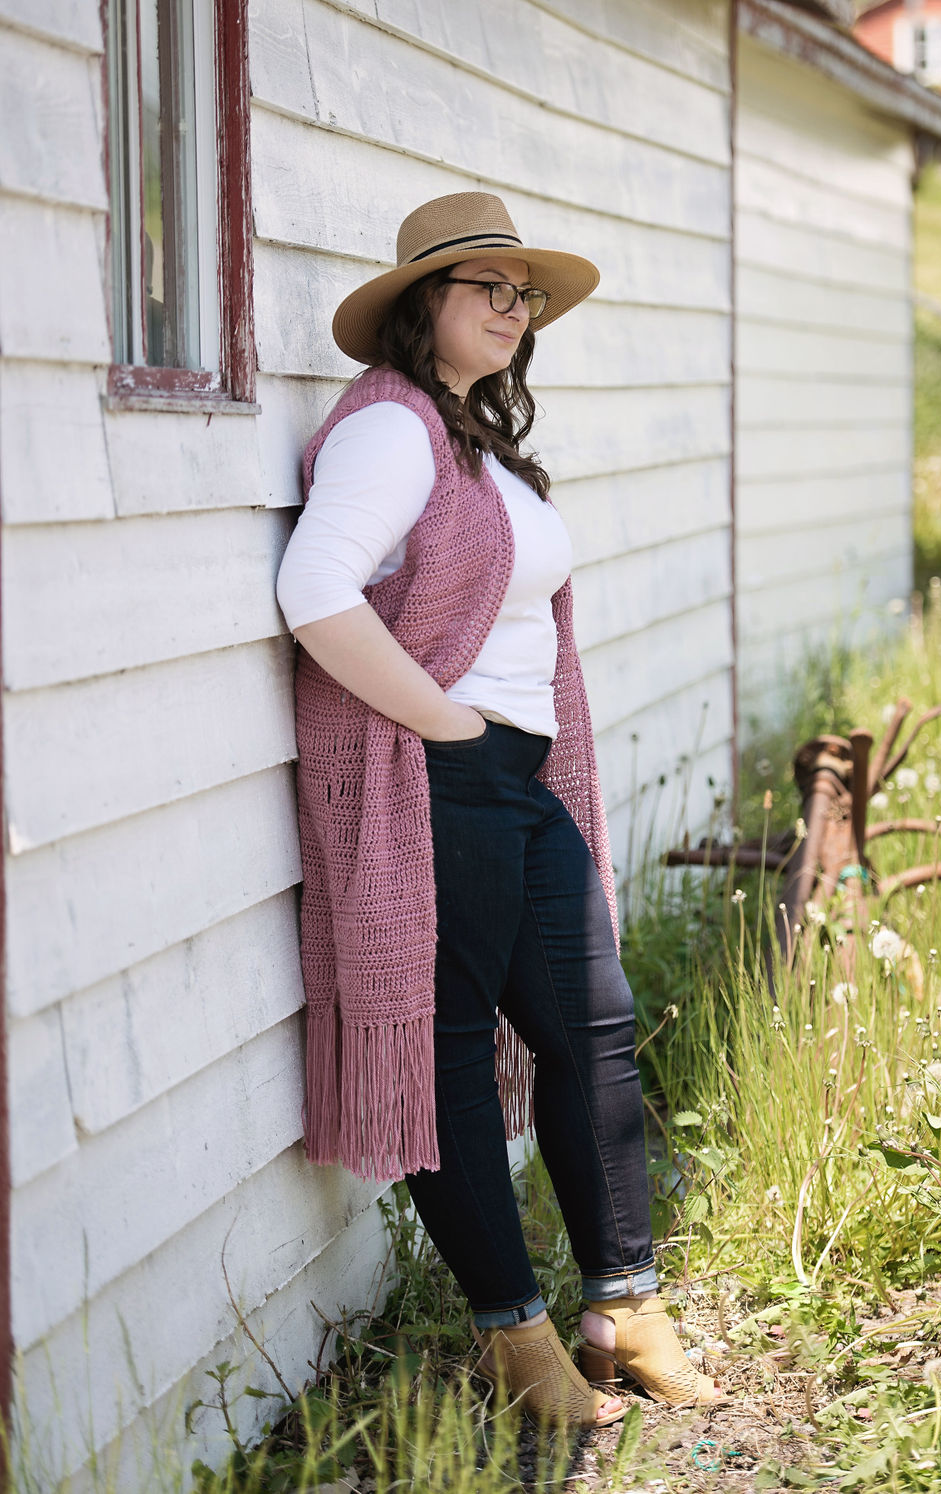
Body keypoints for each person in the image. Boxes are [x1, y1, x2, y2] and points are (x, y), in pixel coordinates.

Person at [275, 192, 723, 1427]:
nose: (513, 309)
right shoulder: (390, 428)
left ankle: (621, 1307)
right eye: (488, 287)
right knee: (453, 1052)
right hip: (441, 779)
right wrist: (448, 726)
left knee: (592, 1029)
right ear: (423, 303)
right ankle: (510, 1335)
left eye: (524, 293)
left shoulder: (471, 439)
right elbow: (315, 590)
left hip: (519, 784)